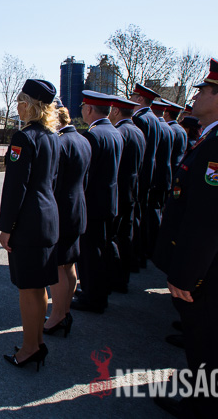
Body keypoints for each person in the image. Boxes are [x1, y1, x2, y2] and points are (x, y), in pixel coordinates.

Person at [153, 58, 218, 418]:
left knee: (210, 348)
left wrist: (185, 275)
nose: (195, 97)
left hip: (215, 269)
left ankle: (207, 410)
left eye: (203, 91)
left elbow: (209, 220)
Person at [0, 79, 59, 370]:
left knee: (27, 289)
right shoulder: (52, 136)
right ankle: (36, 343)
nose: (18, 107)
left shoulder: (24, 138)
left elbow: (15, 187)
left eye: (20, 102)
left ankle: (30, 348)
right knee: (39, 286)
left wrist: (6, 227)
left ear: (30, 105)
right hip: (47, 218)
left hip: (28, 222)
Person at [71, 90, 123, 314]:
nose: (83, 111)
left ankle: (92, 297)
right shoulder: (114, 131)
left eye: (83, 107)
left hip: (92, 203)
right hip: (108, 201)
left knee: (90, 254)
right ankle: (99, 290)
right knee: (101, 249)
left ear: (89, 109)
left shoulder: (93, 135)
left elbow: (85, 174)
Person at [44, 99, 90, 337]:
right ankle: (65, 311)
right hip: (76, 209)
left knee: (58, 267)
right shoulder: (82, 139)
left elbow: (53, 182)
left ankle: (57, 316)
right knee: (69, 265)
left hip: (61, 211)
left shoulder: (60, 143)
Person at [108, 96, 146, 293]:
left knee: (113, 238)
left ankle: (114, 279)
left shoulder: (120, 132)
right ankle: (122, 277)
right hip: (132, 190)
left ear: (116, 111)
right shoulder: (137, 131)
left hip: (119, 193)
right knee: (125, 235)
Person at [129, 83, 163, 268]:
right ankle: (143, 253)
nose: (131, 100)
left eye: (133, 97)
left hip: (140, 173)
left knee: (136, 217)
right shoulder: (154, 119)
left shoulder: (140, 119)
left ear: (140, 99)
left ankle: (136, 256)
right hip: (150, 172)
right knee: (143, 214)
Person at [147, 99, 174, 264]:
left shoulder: (158, 127)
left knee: (152, 215)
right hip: (165, 176)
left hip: (156, 178)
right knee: (157, 212)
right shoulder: (168, 128)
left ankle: (152, 248)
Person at [163, 100, 188, 172]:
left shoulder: (170, 129)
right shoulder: (180, 129)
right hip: (176, 167)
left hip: (168, 167)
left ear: (166, 114)